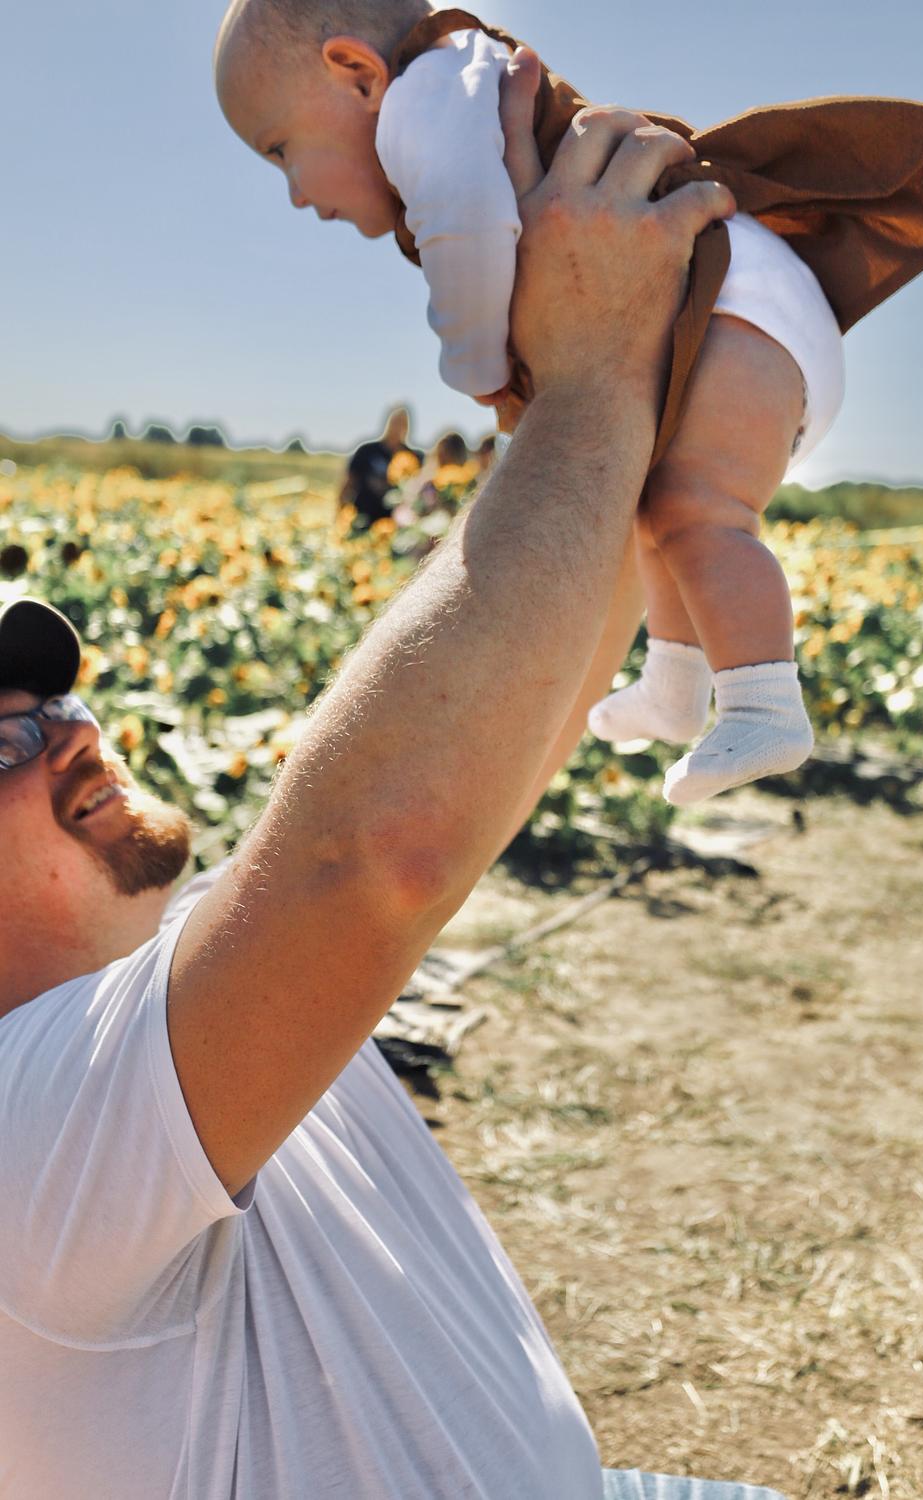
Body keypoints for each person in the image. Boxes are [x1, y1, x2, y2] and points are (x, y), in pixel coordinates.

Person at [0, 68, 788, 1499]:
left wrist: (652, 398)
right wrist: (593, 383)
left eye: (52, 694)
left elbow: (515, 728)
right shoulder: (24, 1137)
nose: (72, 730)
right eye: (4, 741)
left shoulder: (179, 994)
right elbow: (374, 854)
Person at [214, 0, 923, 806]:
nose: (295, 194)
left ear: (357, 74)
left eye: (281, 151)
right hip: (741, 306)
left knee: (702, 512)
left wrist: (476, 361)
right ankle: (675, 684)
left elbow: (467, 222)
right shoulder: (463, 80)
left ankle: (763, 707)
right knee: (660, 510)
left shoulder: (425, 96)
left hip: (736, 306)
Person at [339, 403, 424, 526]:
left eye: (402, 423)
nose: (398, 428)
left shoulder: (415, 458)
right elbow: (348, 484)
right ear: (388, 423)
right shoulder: (367, 451)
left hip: (397, 526)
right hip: (362, 520)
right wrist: (340, 516)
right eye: (395, 422)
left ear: (407, 427)